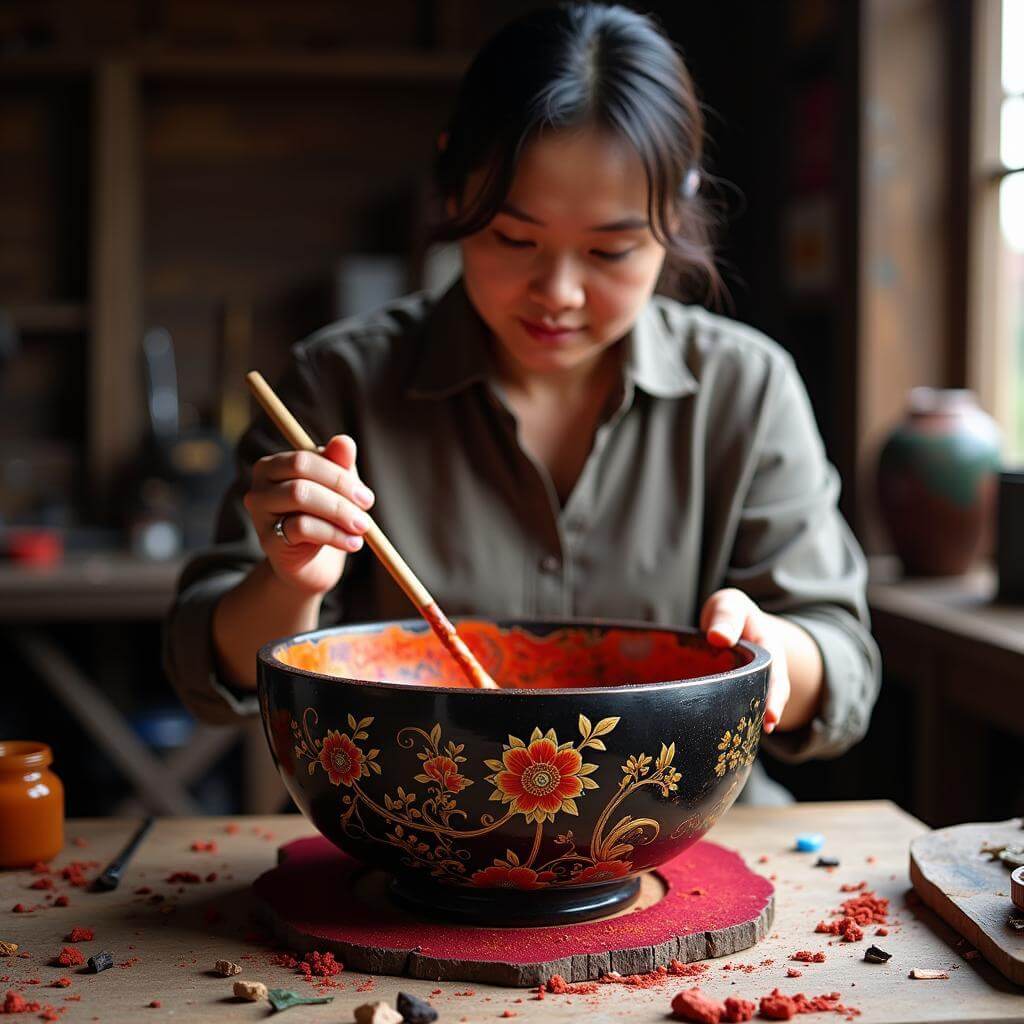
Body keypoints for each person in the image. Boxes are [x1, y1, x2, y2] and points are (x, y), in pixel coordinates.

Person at [164, 3, 880, 805]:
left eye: (610, 250)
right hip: (414, 832)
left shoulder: (743, 389)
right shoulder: (340, 383)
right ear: (452, 185)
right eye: (513, 239)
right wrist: (292, 580)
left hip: (677, 837)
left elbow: (844, 664)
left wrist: (773, 648)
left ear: (673, 214)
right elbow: (207, 671)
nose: (559, 295)